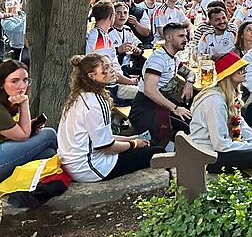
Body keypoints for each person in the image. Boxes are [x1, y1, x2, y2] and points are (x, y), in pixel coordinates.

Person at [58, 54, 163, 182]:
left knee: (146, 143)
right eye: (106, 68)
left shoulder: (80, 96)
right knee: (158, 152)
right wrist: (134, 144)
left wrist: (130, 138)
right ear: (92, 76)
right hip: (89, 168)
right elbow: (106, 147)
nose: (112, 71)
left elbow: (101, 137)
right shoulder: (95, 102)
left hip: (73, 164)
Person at [189, 52, 252, 173]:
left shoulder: (230, 93)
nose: (244, 72)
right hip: (208, 153)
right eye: (239, 70)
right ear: (229, 74)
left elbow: (239, 123)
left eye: (244, 69)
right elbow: (220, 144)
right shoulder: (215, 101)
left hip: (227, 140)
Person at [130, 22, 195, 146]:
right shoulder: (158, 59)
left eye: (185, 36)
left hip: (161, 105)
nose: (185, 39)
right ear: (169, 38)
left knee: (191, 124)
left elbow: (189, 73)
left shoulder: (173, 58)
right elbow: (149, 90)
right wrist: (175, 108)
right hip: (146, 108)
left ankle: (174, 153)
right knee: (155, 146)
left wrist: (189, 82)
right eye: (181, 36)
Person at [0, 60, 58, 181]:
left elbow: (15, 132)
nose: (22, 86)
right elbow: (23, 135)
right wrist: (24, 103)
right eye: (14, 81)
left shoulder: (7, 100)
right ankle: (76, 164)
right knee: (49, 134)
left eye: (25, 80)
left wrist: (31, 125)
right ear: (2, 83)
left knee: (48, 153)